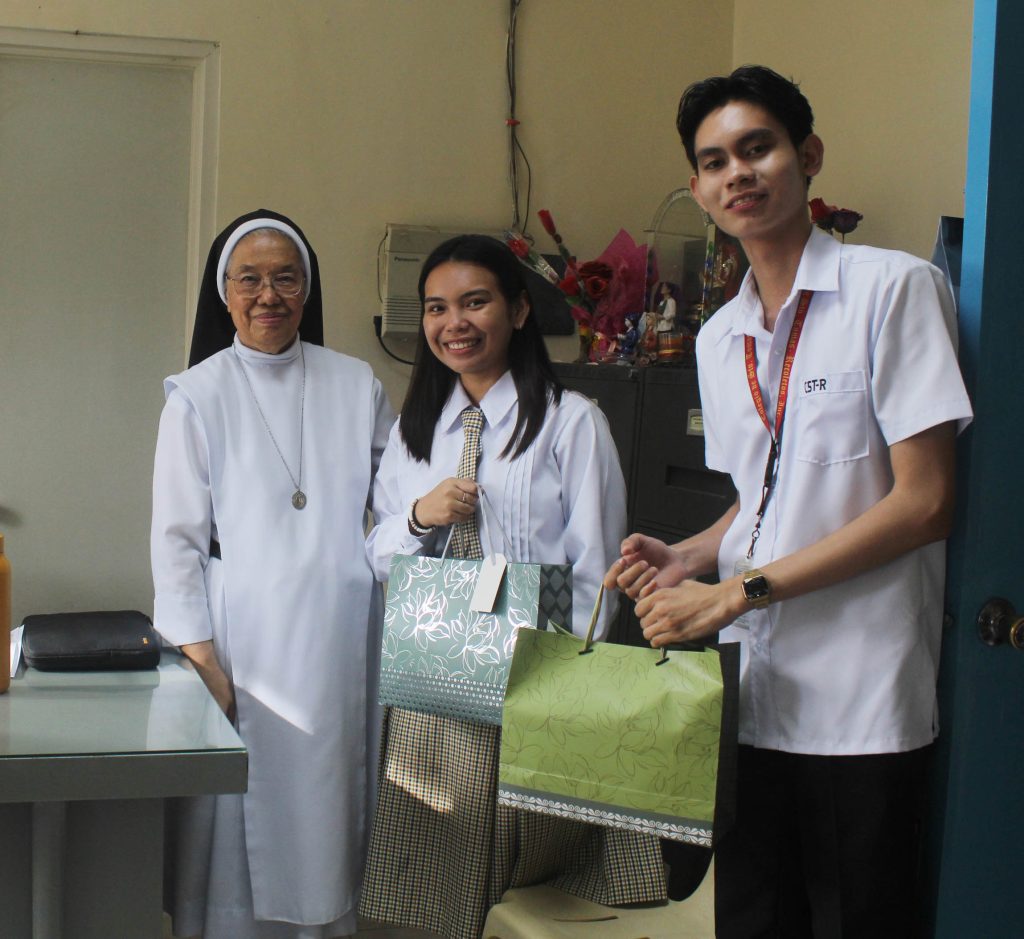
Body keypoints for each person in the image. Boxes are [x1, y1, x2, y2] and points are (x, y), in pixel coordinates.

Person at [605, 66, 973, 937]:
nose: (738, 171)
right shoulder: (718, 333)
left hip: (858, 704)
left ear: (806, 157)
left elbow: (924, 503)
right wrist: (693, 554)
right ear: (698, 189)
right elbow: (764, 493)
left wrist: (737, 590)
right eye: (715, 160)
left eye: (757, 147)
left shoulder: (894, 291)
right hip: (749, 698)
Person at [359, 235, 666, 939]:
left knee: (528, 882)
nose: (454, 323)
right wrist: (418, 514)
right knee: (433, 879)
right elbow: (379, 557)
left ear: (519, 310)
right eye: (436, 307)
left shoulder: (570, 423)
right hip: (435, 685)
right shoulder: (413, 434)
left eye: (475, 302)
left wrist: (556, 684)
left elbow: (597, 576)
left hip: (535, 682)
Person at [151, 209, 395, 938]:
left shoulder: (357, 384)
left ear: (307, 288)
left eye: (285, 277)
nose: (268, 295)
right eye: (249, 278)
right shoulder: (196, 392)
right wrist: (199, 655)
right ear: (224, 292)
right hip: (240, 636)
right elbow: (175, 539)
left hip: (340, 636)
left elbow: (393, 507)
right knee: (241, 809)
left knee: (328, 797)